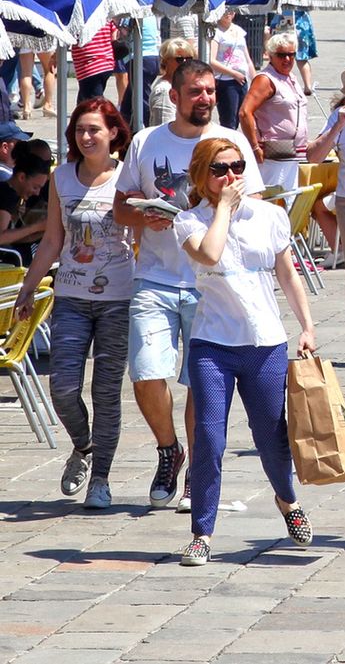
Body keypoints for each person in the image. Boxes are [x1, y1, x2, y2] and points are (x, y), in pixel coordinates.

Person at [114, 60, 266, 512]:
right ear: (174, 95)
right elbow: (120, 210)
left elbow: (252, 205)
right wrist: (150, 215)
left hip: (211, 282)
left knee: (202, 387)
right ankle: (168, 449)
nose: (204, 98)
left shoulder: (232, 142)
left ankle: (194, 484)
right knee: (145, 372)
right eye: (195, 91)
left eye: (209, 91)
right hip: (155, 276)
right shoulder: (146, 141)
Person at [174, 136, 318, 567]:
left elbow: (289, 275)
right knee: (209, 439)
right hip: (212, 344)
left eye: (236, 166)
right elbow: (210, 253)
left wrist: (308, 327)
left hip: (264, 342)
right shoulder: (189, 221)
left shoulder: (270, 216)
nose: (231, 176)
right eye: (219, 170)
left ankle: (287, 500)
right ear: (203, 175)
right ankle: (202, 533)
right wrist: (220, 208)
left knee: (271, 437)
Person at [12, 100, 135, 510]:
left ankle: (100, 477)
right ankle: (83, 446)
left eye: (94, 130)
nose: (86, 137)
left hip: (118, 297)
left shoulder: (125, 176)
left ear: (113, 133)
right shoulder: (61, 177)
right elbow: (52, 239)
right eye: (80, 130)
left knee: (106, 392)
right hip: (71, 295)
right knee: (62, 386)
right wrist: (29, 287)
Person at [239, 32, 309, 195]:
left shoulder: (290, 77)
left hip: (292, 154)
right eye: (281, 55)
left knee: (288, 202)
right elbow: (244, 112)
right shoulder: (265, 79)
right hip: (272, 155)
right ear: (270, 55)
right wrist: (255, 147)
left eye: (291, 55)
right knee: (271, 200)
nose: (287, 59)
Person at [208, 7, 254, 131]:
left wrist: (254, 79)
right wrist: (233, 74)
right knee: (229, 121)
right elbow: (212, 61)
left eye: (231, 11)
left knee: (242, 116)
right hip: (226, 80)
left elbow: (248, 59)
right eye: (225, 11)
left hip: (242, 79)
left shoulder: (239, 30)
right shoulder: (216, 31)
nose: (228, 14)